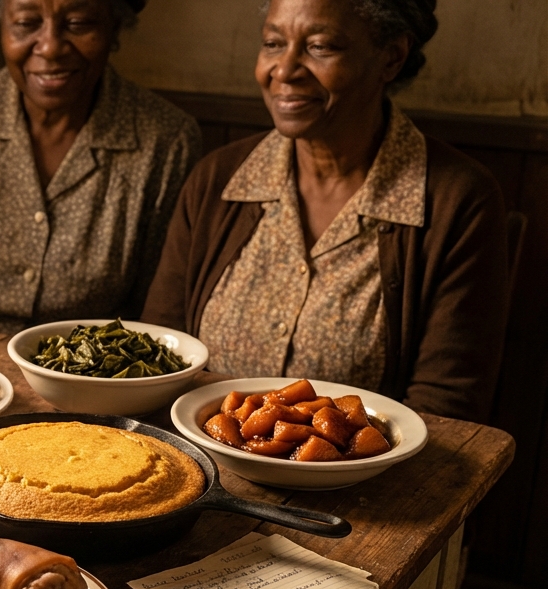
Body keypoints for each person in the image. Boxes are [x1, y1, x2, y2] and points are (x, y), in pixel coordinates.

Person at [142, 0, 509, 422]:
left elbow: (446, 407)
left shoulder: (456, 200)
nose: (284, 70)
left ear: (391, 57)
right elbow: (163, 359)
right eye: (273, 43)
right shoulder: (218, 180)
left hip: (361, 482)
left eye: (320, 47)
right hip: (200, 465)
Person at [0, 0, 201, 334]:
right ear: (1, 27)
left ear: (113, 28)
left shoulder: (166, 138)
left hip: (94, 375)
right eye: (27, 22)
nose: (50, 48)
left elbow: (158, 313)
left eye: (78, 23)